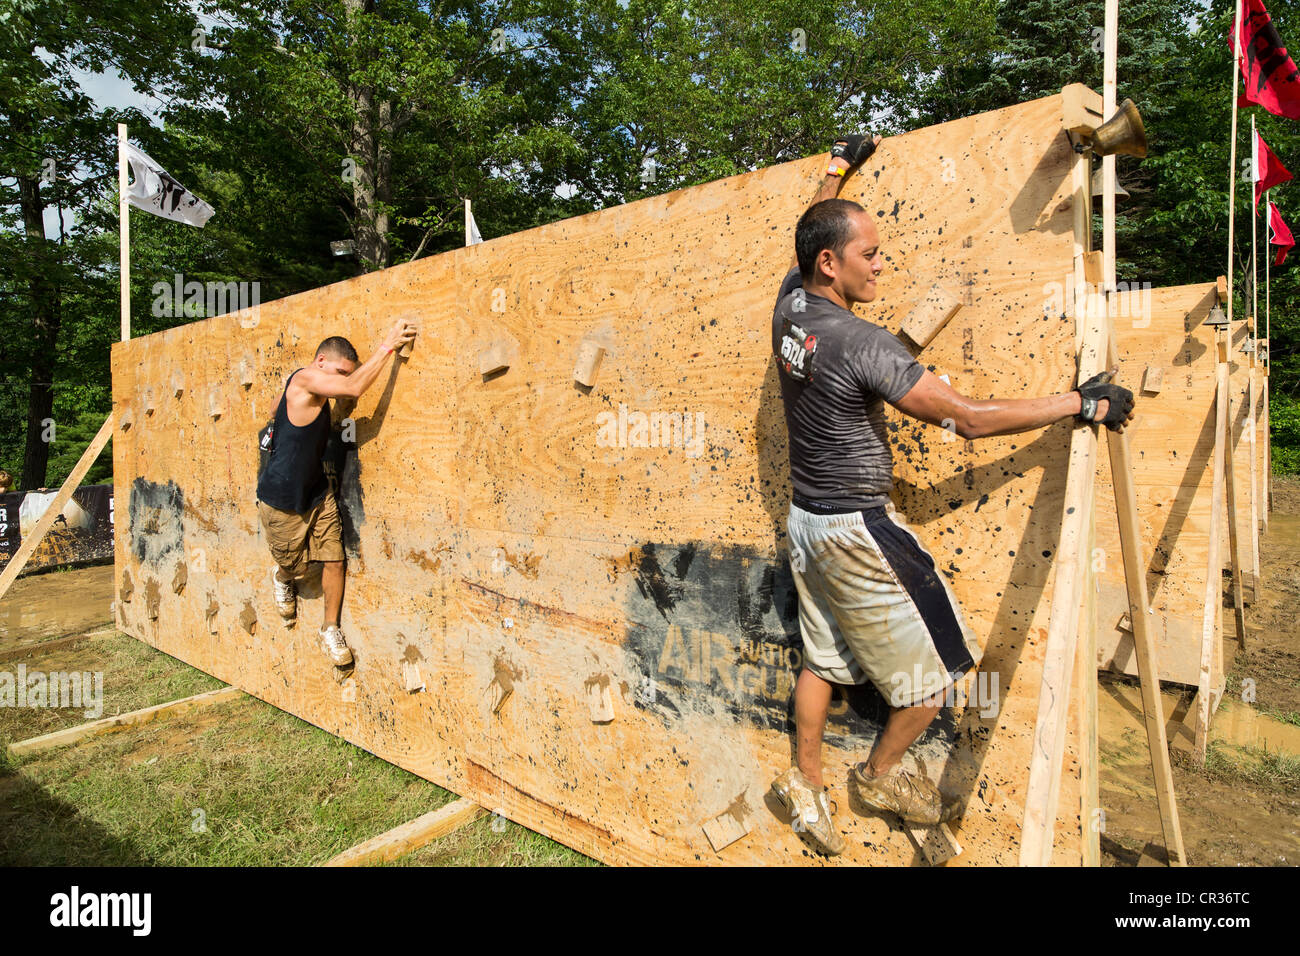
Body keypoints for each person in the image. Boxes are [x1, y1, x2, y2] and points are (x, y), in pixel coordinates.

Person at [768, 134, 1134, 855]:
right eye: (869, 253)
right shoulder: (863, 343)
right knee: (931, 684)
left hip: (806, 522)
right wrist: (1079, 405)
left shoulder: (790, 310)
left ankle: (804, 785)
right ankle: (876, 777)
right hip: (856, 532)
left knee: (821, 660)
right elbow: (966, 418)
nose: (882, 262)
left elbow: (809, 228)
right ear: (829, 264)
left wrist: (839, 167)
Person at [257, 319, 417, 666]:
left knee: (334, 560)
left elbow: (273, 410)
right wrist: (388, 345)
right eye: (341, 371)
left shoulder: (305, 390)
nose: (343, 379)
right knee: (295, 567)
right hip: (282, 501)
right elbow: (355, 390)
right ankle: (282, 576)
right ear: (320, 363)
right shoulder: (303, 377)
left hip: (317, 493)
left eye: (348, 374)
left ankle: (330, 628)